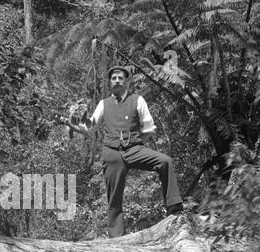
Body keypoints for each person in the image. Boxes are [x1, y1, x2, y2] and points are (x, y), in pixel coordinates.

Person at [67, 65, 185, 237]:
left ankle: (174, 207)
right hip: (112, 153)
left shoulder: (137, 100)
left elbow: (149, 128)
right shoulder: (103, 104)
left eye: (120, 78)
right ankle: (117, 238)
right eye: (113, 78)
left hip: (134, 149)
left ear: (127, 81)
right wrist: (71, 125)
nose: (117, 81)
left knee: (165, 161)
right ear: (110, 82)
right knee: (114, 197)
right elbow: (89, 128)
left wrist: (135, 144)